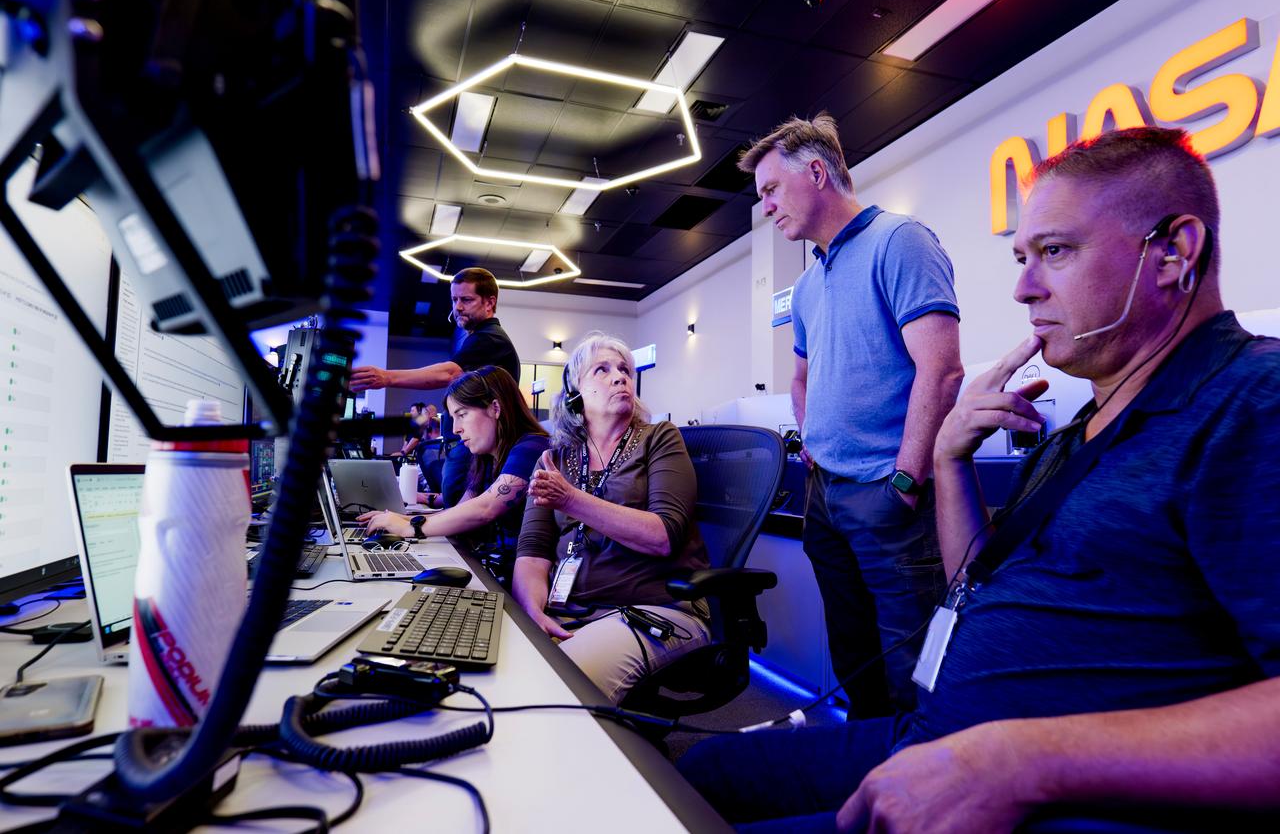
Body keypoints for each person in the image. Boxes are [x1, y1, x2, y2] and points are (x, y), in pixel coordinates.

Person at [678, 126, 1280, 832]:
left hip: (1028, 784)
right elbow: (977, 578)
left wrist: (1025, 761)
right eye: (1023, 257)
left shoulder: (1249, 401)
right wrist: (948, 460)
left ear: (1173, 252)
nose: (1023, 289)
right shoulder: (1082, 431)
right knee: (693, 777)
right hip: (942, 731)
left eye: (1055, 252)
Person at [737, 112, 964, 716]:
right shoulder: (810, 284)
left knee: (908, 671)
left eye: (770, 190)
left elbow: (941, 371)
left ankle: (916, 795)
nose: (766, 207)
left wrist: (908, 478)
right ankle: (863, 780)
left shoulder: (900, 241)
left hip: (887, 492)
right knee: (854, 659)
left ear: (816, 172)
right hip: (825, 497)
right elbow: (801, 376)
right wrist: (812, 439)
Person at [514, 332, 711, 705]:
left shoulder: (659, 438)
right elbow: (533, 549)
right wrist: (534, 613)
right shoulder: (557, 457)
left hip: (654, 608)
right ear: (574, 390)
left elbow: (662, 535)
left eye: (624, 370)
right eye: (601, 370)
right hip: (573, 610)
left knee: (556, 694)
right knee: (514, 672)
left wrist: (572, 500)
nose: (619, 376)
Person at [351, 267, 520, 508]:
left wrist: (386, 378)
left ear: (489, 302)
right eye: (454, 299)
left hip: (473, 446)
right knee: (454, 506)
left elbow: (449, 372)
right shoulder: (477, 338)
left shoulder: (490, 338)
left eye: (466, 299)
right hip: (466, 445)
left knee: (460, 520)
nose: (458, 307)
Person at [358, 366, 547, 543]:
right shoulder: (487, 458)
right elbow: (460, 512)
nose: (456, 429)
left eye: (462, 415)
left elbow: (485, 509)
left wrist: (408, 528)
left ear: (495, 408)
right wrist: (399, 518)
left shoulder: (533, 447)